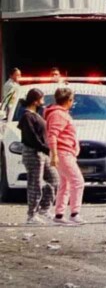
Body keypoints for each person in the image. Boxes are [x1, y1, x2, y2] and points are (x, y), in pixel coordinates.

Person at [19, 88, 59, 224]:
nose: (43, 101)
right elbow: (31, 138)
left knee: (54, 178)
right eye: (41, 98)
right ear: (36, 101)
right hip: (33, 153)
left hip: (42, 152)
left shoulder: (36, 115)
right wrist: (47, 149)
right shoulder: (27, 117)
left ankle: (45, 208)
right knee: (35, 183)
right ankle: (32, 214)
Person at [46, 87, 85, 225]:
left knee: (66, 183)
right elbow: (53, 135)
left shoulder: (58, 113)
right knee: (78, 181)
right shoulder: (59, 114)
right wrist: (55, 155)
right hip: (63, 153)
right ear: (68, 100)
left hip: (65, 152)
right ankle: (75, 213)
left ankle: (59, 213)